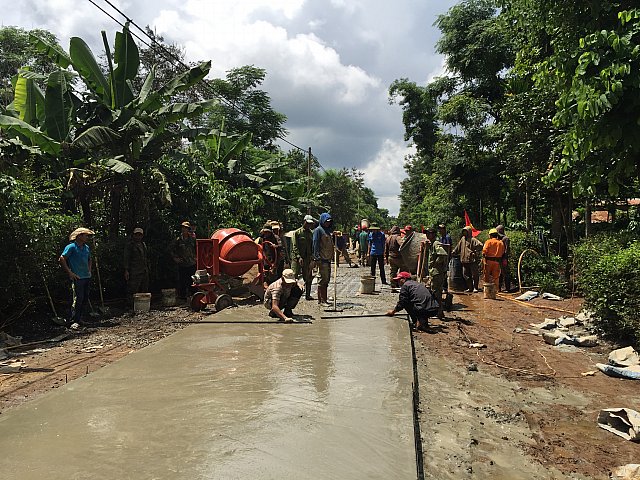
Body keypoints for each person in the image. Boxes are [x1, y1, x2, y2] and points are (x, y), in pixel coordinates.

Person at [59, 227, 95, 327]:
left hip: (86, 276)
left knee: (84, 298)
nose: (87, 237)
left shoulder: (86, 247)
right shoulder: (71, 247)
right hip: (77, 277)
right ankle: (73, 320)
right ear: (79, 236)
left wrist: (89, 270)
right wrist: (70, 272)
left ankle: (79, 318)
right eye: (85, 235)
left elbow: (89, 259)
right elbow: (62, 258)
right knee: (78, 298)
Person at [425, 227, 448, 318]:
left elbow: (443, 254)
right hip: (435, 272)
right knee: (435, 292)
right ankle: (439, 312)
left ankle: (439, 312)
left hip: (437, 273)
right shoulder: (432, 244)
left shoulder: (436, 243)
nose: (427, 235)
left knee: (436, 293)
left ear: (433, 234)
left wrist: (435, 264)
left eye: (428, 233)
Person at [452, 226, 483, 292]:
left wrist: (475, 251)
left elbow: (480, 245)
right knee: (465, 275)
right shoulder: (462, 239)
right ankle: (470, 287)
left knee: (474, 275)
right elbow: (458, 247)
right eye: (464, 231)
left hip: (472, 260)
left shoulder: (473, 239)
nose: (465, 233)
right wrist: (454, 252)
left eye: (466, 231)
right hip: (464, 260)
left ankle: (475, 287)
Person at [291, 214, 316, 300]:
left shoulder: (311, 234)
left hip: (307, 258)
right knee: (294, 276)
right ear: (304, 222)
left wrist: (313, 258)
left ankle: (308, 295)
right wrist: (298, 257)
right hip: (297, 259)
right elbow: (294, 246)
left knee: (308, 277)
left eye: (310, 224)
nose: (309, 225)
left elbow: (313, 246)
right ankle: (292, 295)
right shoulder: (297, 233)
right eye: (308, 223)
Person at [171, 221, 196, 300]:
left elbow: (197, 248)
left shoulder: (192, 239)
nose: (184, 230)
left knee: (193, 280)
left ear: (188, 229)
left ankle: (194, 296)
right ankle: (182, 296)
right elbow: (171, 250)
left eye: (186, 228)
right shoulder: (178, 240)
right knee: (182, 281)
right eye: (183, 228)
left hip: (192, 263)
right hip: (182, 264)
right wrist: (175, 258)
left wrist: (196, 257)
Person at [313, 212, 334, 305]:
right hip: (322, 259)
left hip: (327, 259)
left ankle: (323, 299)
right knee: (322, 280)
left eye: (329, 222)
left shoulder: (327, 231)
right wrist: (317, 258)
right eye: (326, 221)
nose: (328, 223)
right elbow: (315, 244)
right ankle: (321, 300)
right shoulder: (318, 230)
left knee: (326, 280)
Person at [124, 227, 150, 297]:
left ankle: (143, 305)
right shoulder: (130, 245)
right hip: (134, 270)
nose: (138, 236)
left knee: (144, 289)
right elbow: (126, 258)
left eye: (140, 235)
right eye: (136, 235)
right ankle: (130, 305)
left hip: (144, 270)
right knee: (133, 289)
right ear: (134, 235)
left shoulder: (143, 244)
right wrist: (126, 270)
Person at [496, 224, 511, 292]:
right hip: (498, 258)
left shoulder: (506, 239)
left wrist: (504, 258)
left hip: (503, 258)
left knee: (505, 273)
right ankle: (499, 288)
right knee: (499, 273)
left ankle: (507, 288)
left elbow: (507, 250)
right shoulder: (498, 239)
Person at [437, 224, 452, 293]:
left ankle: (445, 288)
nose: (440, 230)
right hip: (441, 256)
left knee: (444, 272)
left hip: (446, 257)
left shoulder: (447, 237)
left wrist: (442, 245)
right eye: (439, 229)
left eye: (441, 229)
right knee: (441, 272)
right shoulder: (440, 238)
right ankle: (442, 287)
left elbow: (449, 246)